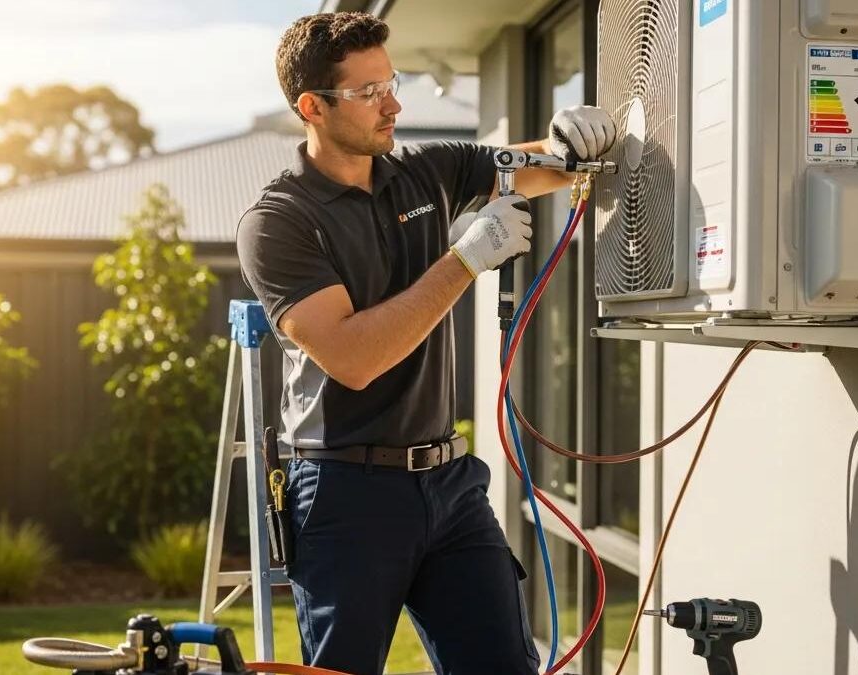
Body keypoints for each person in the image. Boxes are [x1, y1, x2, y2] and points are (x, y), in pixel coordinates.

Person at [236, 11, 616, 675]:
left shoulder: (427, 173)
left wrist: (573, 140)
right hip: (343, 491)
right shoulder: (278, 222)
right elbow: (354, 358)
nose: (394, 103)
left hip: (450, 486)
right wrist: (464, 261)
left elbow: (544, 168)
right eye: (368, 92)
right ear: (312, 107)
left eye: (392, 81)